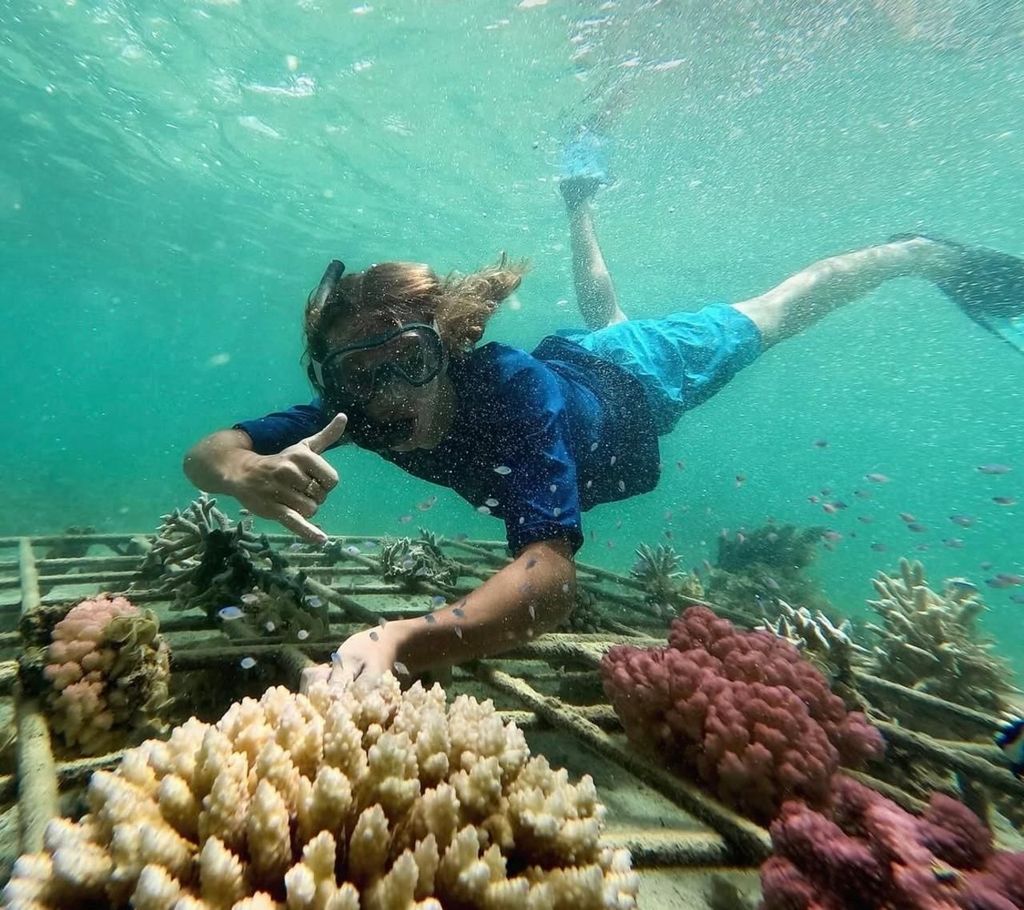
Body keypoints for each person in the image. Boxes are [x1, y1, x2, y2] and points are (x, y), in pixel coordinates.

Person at [184, 168, 1024, 689]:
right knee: (601, 314)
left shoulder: (508, 389)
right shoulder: (359, 414)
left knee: (770, 313)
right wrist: (242, 476)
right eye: (354, 374)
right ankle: (580, 200)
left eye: (404, 359)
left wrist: (407, 638)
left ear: (448, 346)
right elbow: (208, 451)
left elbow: (548, 577)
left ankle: (912, 252)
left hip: (641, 377)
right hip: (581, 360)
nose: (381, 393)